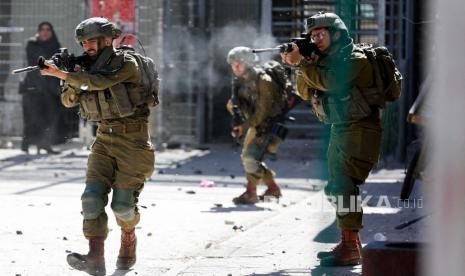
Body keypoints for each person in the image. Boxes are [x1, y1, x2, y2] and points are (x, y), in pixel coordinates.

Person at [40, 17, 157, 275]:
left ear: (107, 40)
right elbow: (69, 101)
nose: (86, 46)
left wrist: (65, 74)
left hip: (133, 141)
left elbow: (99, 83)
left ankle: (128, 236)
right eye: (83, 42)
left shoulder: (126, 63)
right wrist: (69, 75)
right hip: (104, 137)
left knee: (123, 206)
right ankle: (95, 258)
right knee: (91, 198)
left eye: (91, 41)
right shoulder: (84, 68)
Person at [282, 12, 382, 266]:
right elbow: (305, 92)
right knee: (335, 187)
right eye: (313, 36)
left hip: (361, 128)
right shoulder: (321, 62)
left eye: (321, 34)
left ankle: (350, 247)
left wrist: (305, 64)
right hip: (340, 128)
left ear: (337, 34)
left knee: (343, 185)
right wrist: (301, 64)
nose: (316, 40)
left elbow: (332, 83)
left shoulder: (355, 59)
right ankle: (351, 243)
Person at [226, 46, 287, 205]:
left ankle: (251, 193)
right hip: (255, 124)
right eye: (233, 64)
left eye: (238, 63)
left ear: (248, 63)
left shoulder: (264, 81)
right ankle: (272, 188)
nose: (235, 68)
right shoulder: (241, 81)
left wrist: (245, 126)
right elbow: (241, 106)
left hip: (268, 124)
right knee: (252, 157)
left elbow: (263, 111)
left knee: (249, 158)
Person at [19, 22, 61, 154]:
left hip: (50, 88)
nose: (45, 32)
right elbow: (39, 61)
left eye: (48, 29)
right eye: (42, 29)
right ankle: (26, 145)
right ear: (38, 31)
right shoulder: (32, 44)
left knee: (49, 116)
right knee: (32, 117)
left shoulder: (56, 45)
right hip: (33, 86)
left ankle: (44, 144)